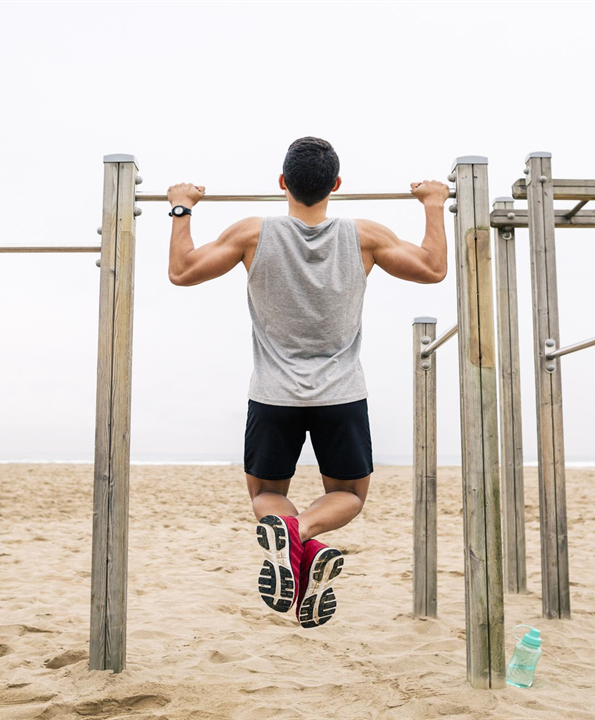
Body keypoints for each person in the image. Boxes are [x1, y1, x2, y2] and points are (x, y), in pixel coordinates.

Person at [166, 137, 450, 628]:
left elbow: (182, 271)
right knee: (350, 495)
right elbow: (433, 268)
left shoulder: (251, 233)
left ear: (282, 184)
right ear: (335, 186)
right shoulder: (366, 236)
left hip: (273, 395)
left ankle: (287, 534)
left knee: (264, 496)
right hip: (341, 394)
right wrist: (432, 204)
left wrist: (181, 208)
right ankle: (306, 534)